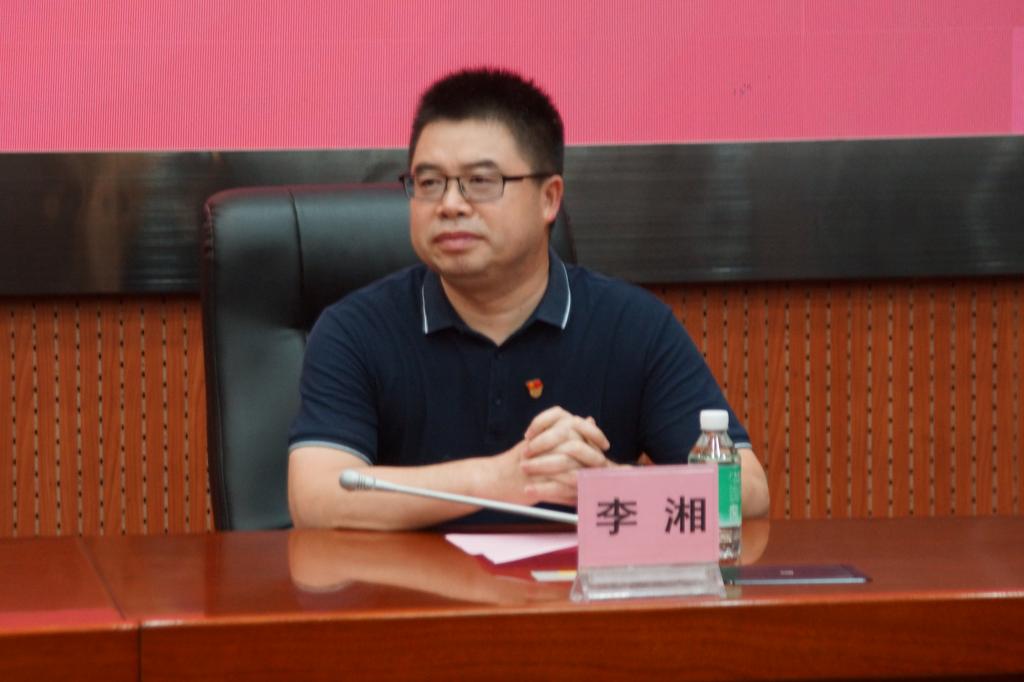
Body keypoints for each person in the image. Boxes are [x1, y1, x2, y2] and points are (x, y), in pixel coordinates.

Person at [288, 68, 769, 529]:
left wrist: (608, 484)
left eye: (481, 182)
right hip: (409, 587)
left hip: (575, 587)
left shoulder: (633, 325)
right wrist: (500, 480)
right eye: (429, 183)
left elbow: (746, 491)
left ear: (549, 198)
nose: (450, 205)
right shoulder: (355, 329)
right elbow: (317, 498)